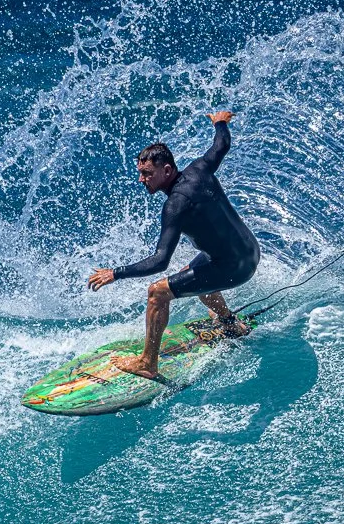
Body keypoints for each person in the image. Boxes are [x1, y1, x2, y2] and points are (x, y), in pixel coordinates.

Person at [87, 111, 260, 379]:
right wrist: (220, 122)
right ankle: (228, 323)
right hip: (249, 252)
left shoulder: (175, 205)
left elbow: (160, 260)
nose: (141, 180)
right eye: (140, 173)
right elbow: (221, 145)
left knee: (157, 292)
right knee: (191, 273)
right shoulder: (198, 168)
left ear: (166, 170)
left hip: (234, 268)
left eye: (147, 174)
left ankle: (147, 364)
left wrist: (116, 273)